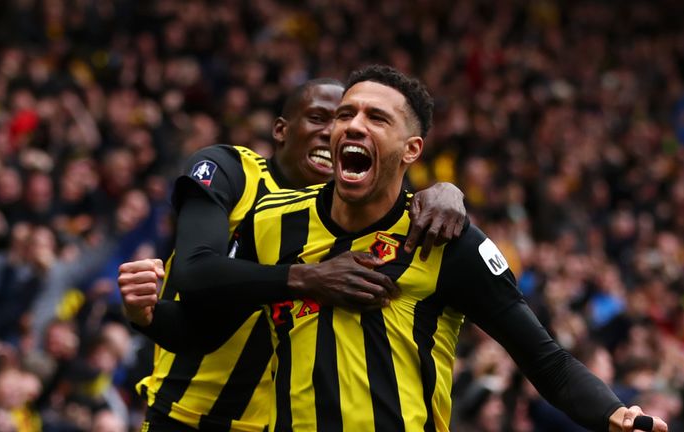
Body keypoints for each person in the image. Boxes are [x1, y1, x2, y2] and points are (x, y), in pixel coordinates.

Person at [149, 65, 669, 432]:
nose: (353, 124)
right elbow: (205, 329)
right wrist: (143, 313)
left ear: (411, 150)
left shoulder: (447, 239)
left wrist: (614, 414)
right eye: (346, 114)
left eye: (377, 118)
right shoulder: (271, 223)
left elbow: (546, 361)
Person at [119, 78, 467, 431]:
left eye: (341, 122)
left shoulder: (358, 220)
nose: (333, 132)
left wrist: (449, 191)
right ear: (281, 130)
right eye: (318, 118)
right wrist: (308, 278)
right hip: (183, 416)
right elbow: (195, 274)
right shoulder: (233, 171)